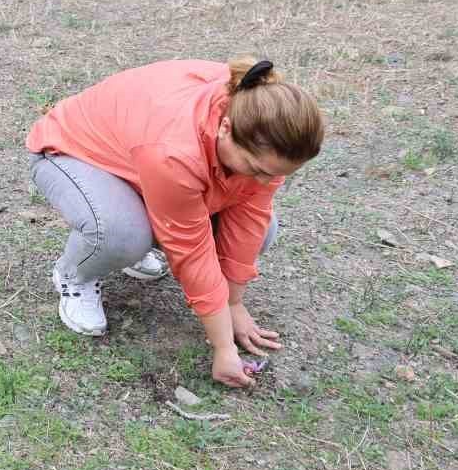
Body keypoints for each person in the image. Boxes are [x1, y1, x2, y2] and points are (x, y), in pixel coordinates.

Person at [25, 57, 324, 389]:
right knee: (122, 235)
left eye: (277, 174)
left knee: (265, 231)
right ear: (226, 129)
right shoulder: (175, 150)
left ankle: (131, 238)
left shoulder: (259, 128)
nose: (265, 181)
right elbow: (191, 251)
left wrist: (233, 303)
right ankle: (73, 275)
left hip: (139, 161)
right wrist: (224, 347)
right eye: (257, 169)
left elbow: (248, 223)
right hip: (71, 153)